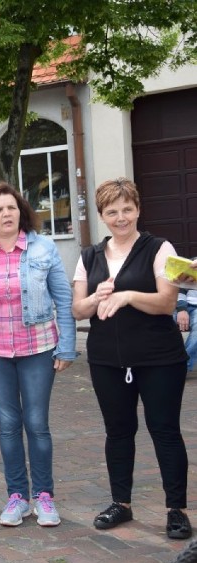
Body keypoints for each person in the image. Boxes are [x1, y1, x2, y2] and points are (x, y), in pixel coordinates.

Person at [72, 177, 191, 539]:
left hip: (159, 358)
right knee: (118, 432)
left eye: (127, 209)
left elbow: (167, 302)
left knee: (165, 431)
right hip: (108, 359)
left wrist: (125, 296)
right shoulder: (89, 256)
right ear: (102, 215)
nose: (121, 217)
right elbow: (78, 309)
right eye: (112, 211)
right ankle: (120, 503)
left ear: (138, 209)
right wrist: (96, 298)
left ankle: (177, 510)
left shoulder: (159, 248)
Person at [0, 182, 77, 528]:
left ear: (21, 211)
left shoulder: (44, 248)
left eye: (11, 207)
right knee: (9, 425)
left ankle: (43, 496)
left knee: (37, 424)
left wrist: (66, 344)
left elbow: (63, 298)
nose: (6, 214)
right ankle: (17, 497)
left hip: (38, 348)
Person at [175, 287, 197, 373]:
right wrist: (181, 309)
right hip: (176, 304)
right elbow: (178, 287)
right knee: (161, 326)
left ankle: (182, 367)